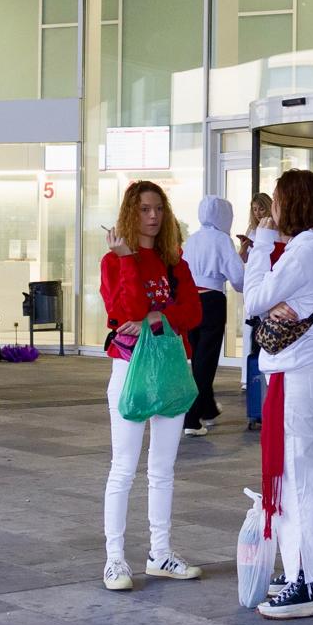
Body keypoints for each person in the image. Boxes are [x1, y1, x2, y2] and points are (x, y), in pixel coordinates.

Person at [244, 169, 313, 619]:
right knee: (305, 478)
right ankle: (304, 568)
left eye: (279, 202)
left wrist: (261, 243)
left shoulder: (302, 254)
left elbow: (253, 299)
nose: (274, 211)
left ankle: (308, 581)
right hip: (306, 370)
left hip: (295, 374)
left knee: (299, 481)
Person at [99, 180, 204, 592]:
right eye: (144, 209)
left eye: (158, 208)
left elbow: (193, 310)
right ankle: (114, 559)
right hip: (129, 370)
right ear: (130, 212)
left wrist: (159, 318)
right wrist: (127, 260)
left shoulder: (175, 261)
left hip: (172, 368)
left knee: (163, 469)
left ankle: (160, 552)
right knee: (123, 467)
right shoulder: (114, 261)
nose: (154, 216)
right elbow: (125, 310)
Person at [181, 196, 244, 436]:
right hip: (212, 300)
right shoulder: (222, 239)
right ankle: (192, 419)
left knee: (197, 358)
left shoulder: (193, 239)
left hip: (191, 301)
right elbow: (237, 277)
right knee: (205, 363)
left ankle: (206, 409)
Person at [239, 192, 273, 429]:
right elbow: (245, 263)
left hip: (266, 293)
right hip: (254, 293)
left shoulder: (273, 231)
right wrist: (245, 249)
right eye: (254, 209)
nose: (258, 213)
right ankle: (257, 396)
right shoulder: (253, 232)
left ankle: (267, 401)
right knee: (255, 345)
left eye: (261, 208)